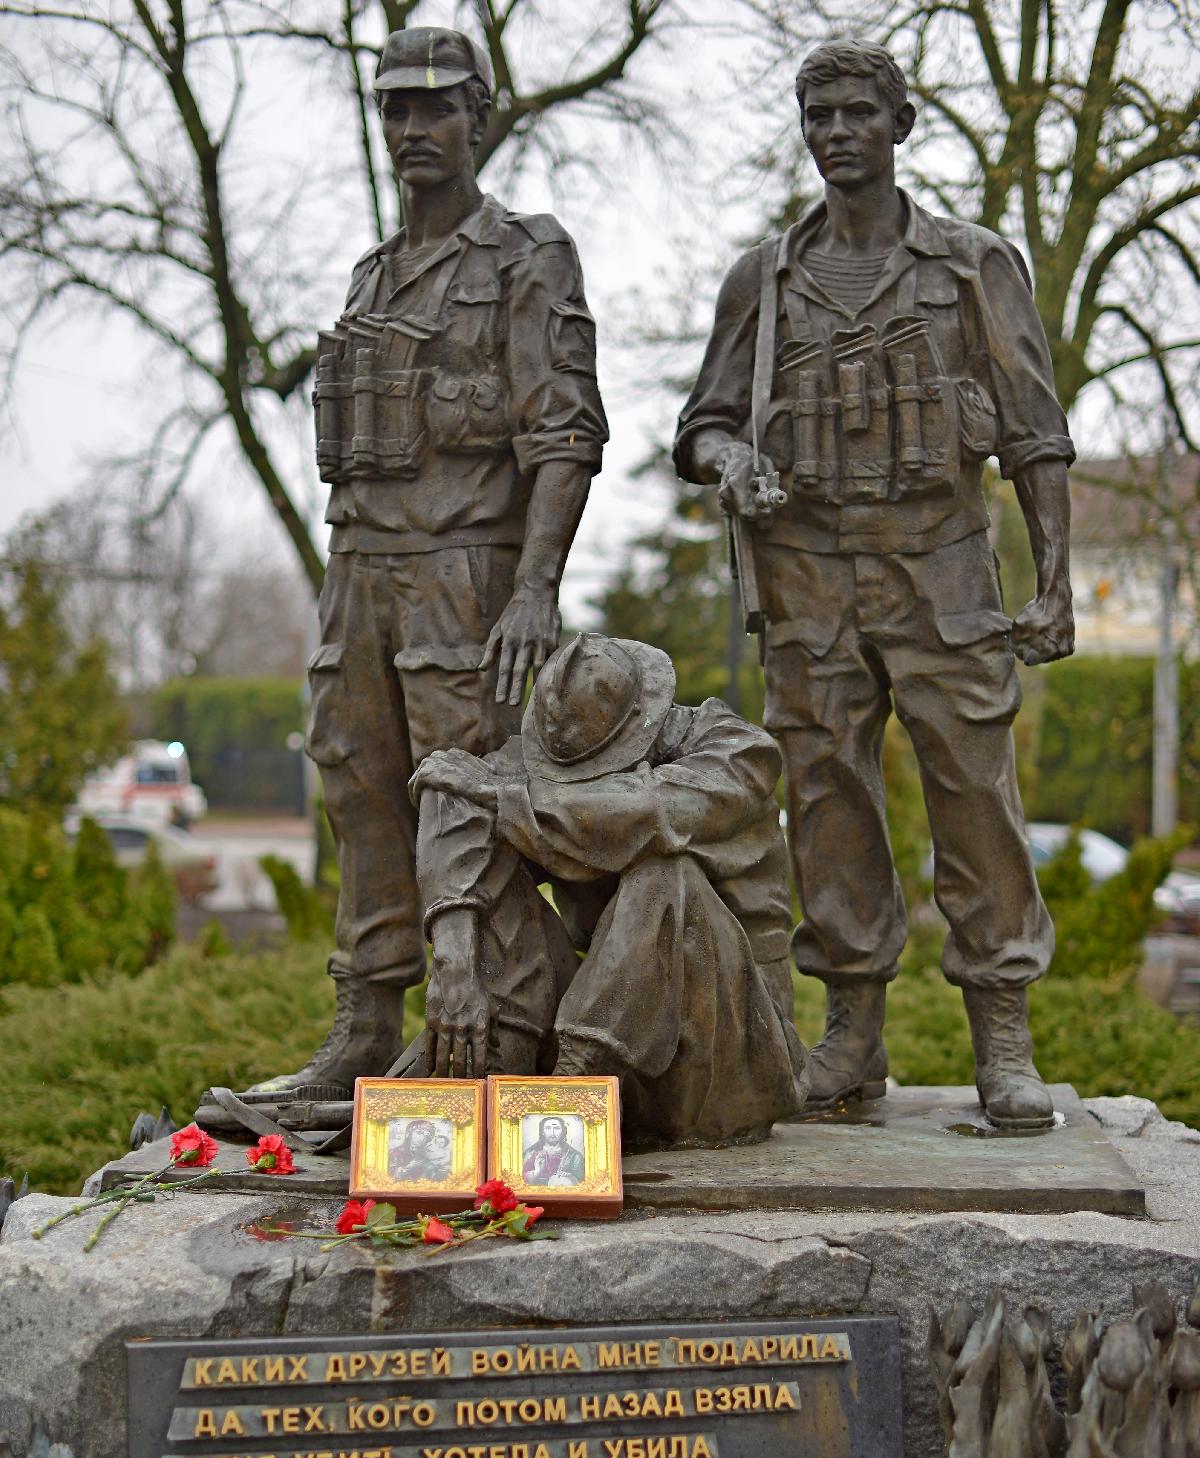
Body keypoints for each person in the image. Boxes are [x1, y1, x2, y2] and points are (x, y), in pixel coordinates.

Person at [674, 40, 1075, 1130]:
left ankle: (1003, 1030)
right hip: (805, 577)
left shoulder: (971, 266)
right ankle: (851, 1032)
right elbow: (703, 425)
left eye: (858, 111)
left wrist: (1056, 583)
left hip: (943, 568)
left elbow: (1036, 433)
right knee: (827, 802)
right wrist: (734, 465)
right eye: (819, 114)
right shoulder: (763, 277)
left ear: (902, 124)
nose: (837, 131)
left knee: (977, 800)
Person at [243, 26, 607, 1106]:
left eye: (436, 108)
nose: (412, 129)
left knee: (460, 793)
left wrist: (535, 587)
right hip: (361, 569)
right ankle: (369, 1015)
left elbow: (566, 433)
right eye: (396, 109)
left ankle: (494, 1017)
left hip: (463, 569)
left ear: (478, 121)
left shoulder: (525, 256)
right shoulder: (375, 272)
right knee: (355, 775)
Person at [409, 634, 809, 1148]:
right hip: (617, 1058)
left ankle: (567, 1090)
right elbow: (450, 784)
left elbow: (649, 811)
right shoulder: (533, 765)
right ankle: (490, 1067)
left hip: (720, 1068)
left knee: (665, 874)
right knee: (473, 821)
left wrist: (505, 798)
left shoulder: (737, 754)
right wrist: (455, 962)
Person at [523, 1116, 586, 1186]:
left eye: (557, 1128)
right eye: (548, 1128)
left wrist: (570, 1178)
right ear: (542, 1132)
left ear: (563, 1132)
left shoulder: (574, 1156)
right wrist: (536, 1172)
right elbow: (521, 1181)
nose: (552, 1133)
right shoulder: (530, 1153)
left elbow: (582, 1183)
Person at [388, 1118, 452, 1183]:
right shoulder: (397, 1152)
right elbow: (392, 1176)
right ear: (408, 1133)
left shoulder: (427, 1153)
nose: (422, 1138)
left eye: (427, 1136)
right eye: (419, 1133)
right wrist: (408, 1168)